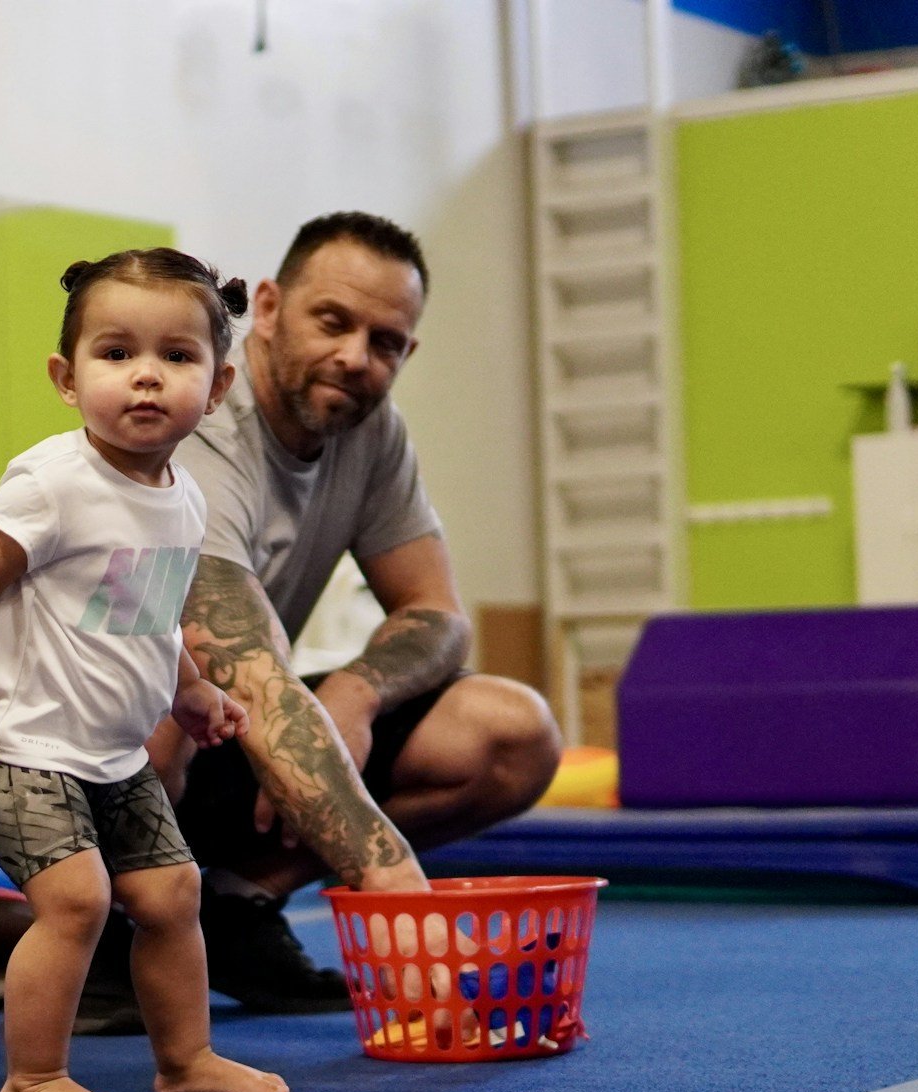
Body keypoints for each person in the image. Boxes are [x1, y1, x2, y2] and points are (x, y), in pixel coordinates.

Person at [80, 212, 562, 1033]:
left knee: (512, 731)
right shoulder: (193, 424)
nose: (355, 356)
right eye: (332, 322)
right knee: (162, 722)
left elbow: (438, 615)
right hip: (85, 752)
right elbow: (242, 669)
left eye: (385, 341)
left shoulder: (373, 435)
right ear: (267, 308)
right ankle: (109, 931)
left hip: (227, 722)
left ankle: (235, 907)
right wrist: (412, 916)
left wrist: (357, 694)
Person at [0, 248, 290, 1092]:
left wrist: (191, 691)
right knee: (77, 900)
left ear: (220, 383)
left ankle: (186, 1059)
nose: (146, 378)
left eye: (177, 357)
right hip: (21, 747)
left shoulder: (183, 499)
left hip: (114, 755)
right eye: (116, 353)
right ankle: (34, 1078)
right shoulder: (54, 482)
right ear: (66, 375)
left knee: (172, 896)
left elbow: (147, 617)